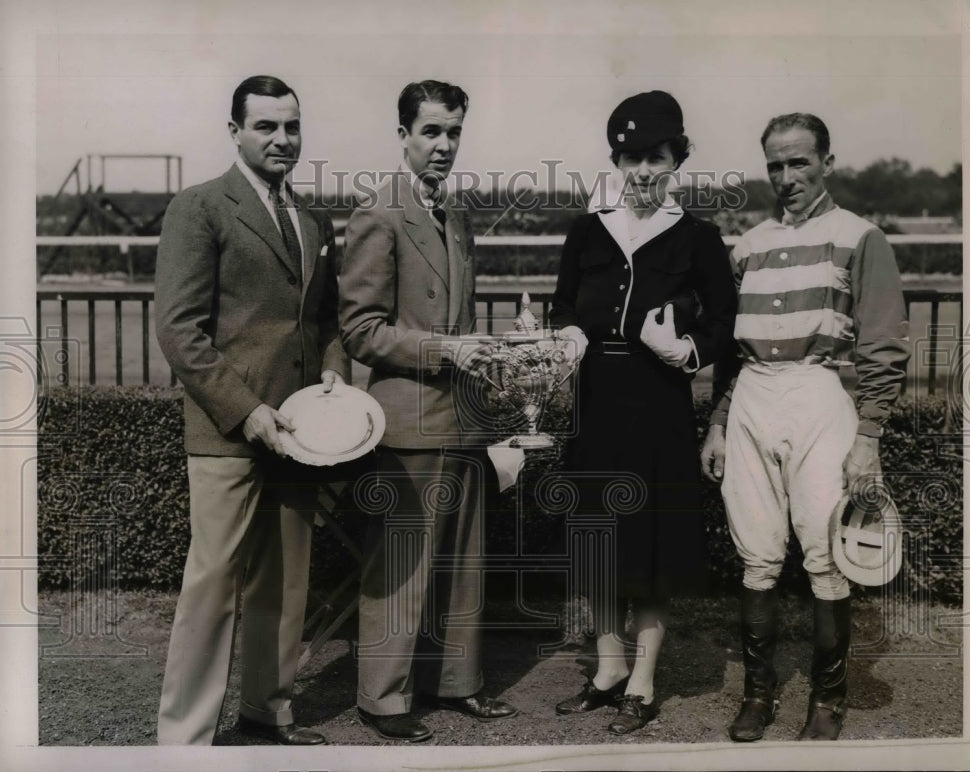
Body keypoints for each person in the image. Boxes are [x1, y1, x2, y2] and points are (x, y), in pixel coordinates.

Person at [700, 113, 911, 742]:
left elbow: (882, 345)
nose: (787, 177)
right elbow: (731, 353)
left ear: (826, 161)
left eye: (799, 162)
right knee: (757, 553)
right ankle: (758, 696)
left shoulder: (860, 235)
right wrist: (716, 422)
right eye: (775, 165)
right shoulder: (748, 245)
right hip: (752, 400)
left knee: (826, 554)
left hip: (820, 393)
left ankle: (828, 699)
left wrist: (868, 436)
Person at [155, 75, 349, 745]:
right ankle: (185, 740)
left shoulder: (309, 219)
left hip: (299, 433)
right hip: (228, 434)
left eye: (292, 126)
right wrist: (247, 411)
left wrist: (332, 378)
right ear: (234, 130)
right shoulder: (200, 207)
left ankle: (268, 714)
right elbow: (180, 331)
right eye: (266, 126)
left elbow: (325, 322)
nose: (283, 139)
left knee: (285, 584)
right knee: (211, 587)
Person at [549, 90, 737, 735]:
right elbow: (563, 304)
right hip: (595, 400)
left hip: (658, 404)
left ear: (676, 159)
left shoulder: (698, 237)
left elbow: (724, 323)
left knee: (652, 546)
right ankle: (607, 669)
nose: (644, 172)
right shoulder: (588, 228)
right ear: (617, 160)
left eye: (657, 157)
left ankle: (644, 680)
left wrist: (686, 350)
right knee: (600, 542)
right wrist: (569, 333)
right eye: (632, 158)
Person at [338, 79, 518, 743]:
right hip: (408, 419)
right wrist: (445, 349)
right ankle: (382, 698)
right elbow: (360, 329)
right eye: (432, 132)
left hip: (463, 418)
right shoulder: (377, 213)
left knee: (464, 562)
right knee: (402, 566)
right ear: (404, 136)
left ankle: (457, 683)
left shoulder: (457, 213)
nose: (443, 146)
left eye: (453, 133)